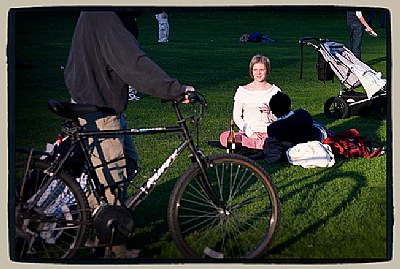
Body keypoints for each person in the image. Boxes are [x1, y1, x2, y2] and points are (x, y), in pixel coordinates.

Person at [64, 11, 194, 258]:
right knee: (112, 179)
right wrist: (174, 90)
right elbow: (132, 63)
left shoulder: (102, 12)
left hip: (98, 100)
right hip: (97, 107)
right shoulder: (106, 15)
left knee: (126, 163)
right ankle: (114, 248)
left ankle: (95, 229)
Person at [219, 54, 281, 150]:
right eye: (255, 70)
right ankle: (259, 144)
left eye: (262, 70)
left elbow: (282, 117)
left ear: (267, 71)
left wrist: (270, 113)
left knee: (286, 135)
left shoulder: (275, 91)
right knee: (225, 137)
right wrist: (251, 133)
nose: (258, 73)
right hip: (248, 133)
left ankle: (260, 144)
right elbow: (237, 117)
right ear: (251, 71)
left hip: (269, 132)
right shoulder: (242, 91)